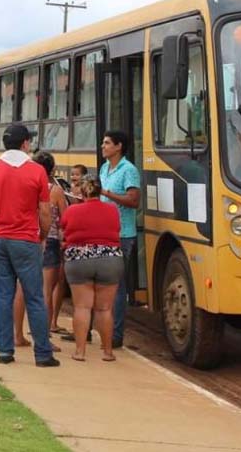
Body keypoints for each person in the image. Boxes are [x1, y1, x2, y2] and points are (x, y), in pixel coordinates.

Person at [0, 124, 60, 368]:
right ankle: (42, 353)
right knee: (34, 296)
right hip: (26, 239)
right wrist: (43, 235)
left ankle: (5, 350)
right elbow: (45, 212)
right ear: (25, 143)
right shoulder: (36, 171)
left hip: (1, 238)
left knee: (4, 296)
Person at [61, 173, 123, 362]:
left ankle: (80, 352)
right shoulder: (112, 210)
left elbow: (64, 229)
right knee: (105, 309)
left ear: (82, 190)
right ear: (99, 189)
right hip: (110, 259)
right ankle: (108, 352)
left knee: (82, 307)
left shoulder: (72, 210)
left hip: (79, 259)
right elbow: (117, 230)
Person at [99, 130, 140, 349]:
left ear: (119, 146)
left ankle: (116, 334)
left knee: (116, 285)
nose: (103, 146)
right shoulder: (105, 168)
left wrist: (107, 193)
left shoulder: (129, 170)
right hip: (104, 231)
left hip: (122, 234)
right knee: (104, 284)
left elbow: (133, 200)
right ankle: (105, 330)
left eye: (107, 143)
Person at [33, 152, 68, 334]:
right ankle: (44, 332)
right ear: (52, 169)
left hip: (31, 239)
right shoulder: (55, 191)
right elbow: (65, 218)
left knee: (34, 289)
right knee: (48, 290)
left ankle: (34, 329)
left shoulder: (30, 186)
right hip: (51, 241)